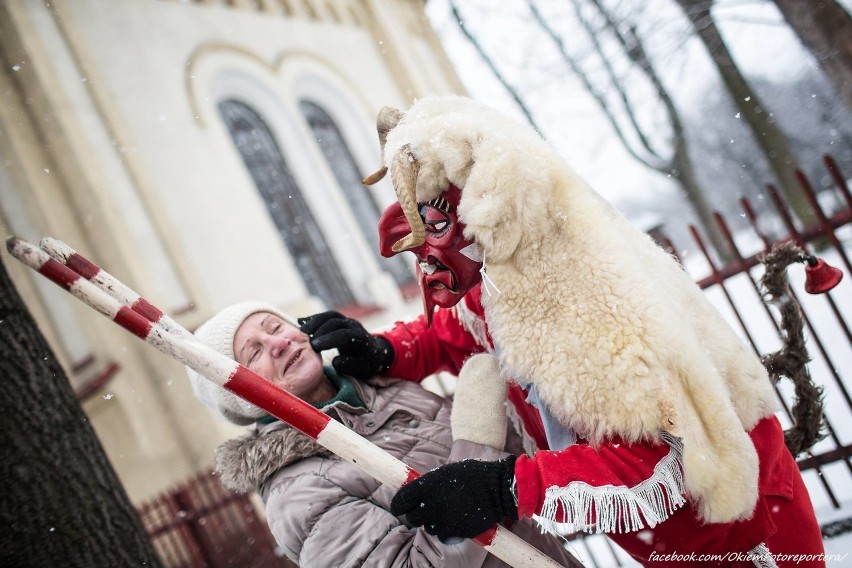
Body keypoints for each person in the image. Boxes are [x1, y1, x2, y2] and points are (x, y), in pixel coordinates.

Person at [299, 95, 826, 566]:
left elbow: (667, 457)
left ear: (486, 205)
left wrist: (508, 487)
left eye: (436, 224)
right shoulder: (508, 278)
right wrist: (383, 349)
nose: (422, 252)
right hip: (671, 546)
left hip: (748, 539)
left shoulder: (590, 297)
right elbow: (461, 333)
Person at [185, 301, 580, 568]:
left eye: (275, 326)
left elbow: (515, 470)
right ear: (243, 397)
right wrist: (477, 442)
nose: (277, 343)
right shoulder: (297, 491)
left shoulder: (388, 388)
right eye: (253, 352)